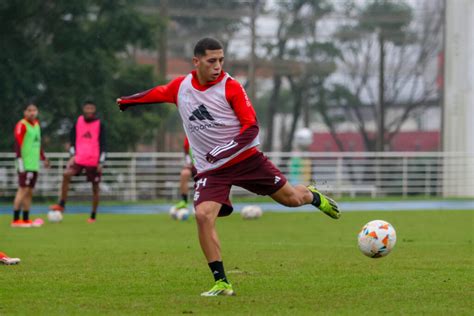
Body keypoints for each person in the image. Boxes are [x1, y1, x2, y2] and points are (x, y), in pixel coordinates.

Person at [117, 37, 340, 296]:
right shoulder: (182, 87)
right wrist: (128, 101)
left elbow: (251, 127)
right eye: (212, 61)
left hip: (246, 160)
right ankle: (221, 282)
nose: (218, 66)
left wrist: (223, 150)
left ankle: (313, 195)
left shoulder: (231, 87)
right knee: (203, 216)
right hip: (212, 170)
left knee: (291, 199)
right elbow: (158, 92)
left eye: (221, 60)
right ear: (196, 61)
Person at [49, 101, 106, 223]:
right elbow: (72, 140)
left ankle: (93, 216)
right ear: (83, 109)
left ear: (94, 110)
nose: (89, 110)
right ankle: (62, 204)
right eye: (87, 108)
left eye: (91, 108)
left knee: (95, 189)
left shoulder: (99, 124)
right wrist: (72, 155)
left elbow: (103, 144)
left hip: (93, 160)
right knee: (66, 175)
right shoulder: (78, 122)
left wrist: (101, 162)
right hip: (79, 159)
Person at [12, 103, 50, 228]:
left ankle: (26, 219)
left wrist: (43, 158)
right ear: (25, 112)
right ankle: (16, 220)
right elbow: (18, 144)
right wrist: (20, 161)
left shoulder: (37, 125)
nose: (32, 113)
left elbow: (38, 144)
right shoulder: (22, 125)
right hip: (24, 163)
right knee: (22, 189)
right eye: (29, 110)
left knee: (29, 191)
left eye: (34, 110)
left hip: (34, 164)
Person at [173, 137, 197, 210]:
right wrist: (188, 163)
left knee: (202, 179)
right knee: (184, 173)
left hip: (204, 166)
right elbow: (187, 153)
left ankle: (201, 202)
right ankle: (184, 201)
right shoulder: (188, 137)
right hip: (193, 166)